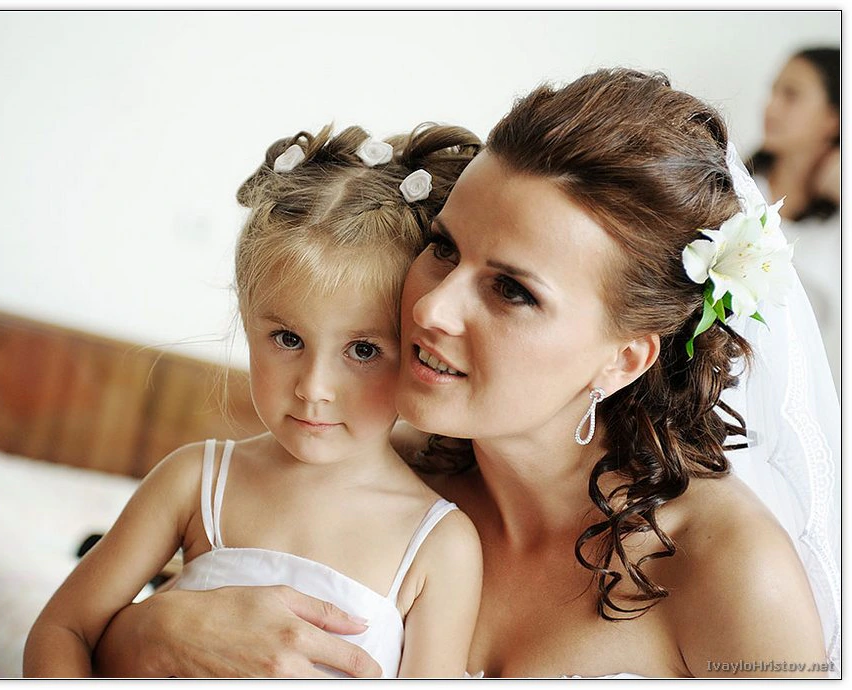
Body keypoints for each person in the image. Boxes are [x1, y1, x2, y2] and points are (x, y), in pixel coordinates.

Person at [92, 69, 840, 678]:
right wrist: (141, 638)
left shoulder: (737, 575)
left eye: (511, 289)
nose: (431, 307)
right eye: (445, 248)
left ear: (623, 358)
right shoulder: (380, 476)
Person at [22, 122, 485, 678]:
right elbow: (63, 629)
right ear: (247, 320)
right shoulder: (195, 481)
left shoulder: (440, 547)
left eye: (363, 350)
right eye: (288, 339)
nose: (313, 387)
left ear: (417, 347)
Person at [747, 47, 840, 388]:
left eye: (791, 95)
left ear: (833, 117)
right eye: (773, 91)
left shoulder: (836, 228)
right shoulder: (736, 190)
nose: (770, 107)